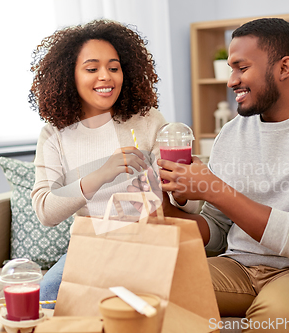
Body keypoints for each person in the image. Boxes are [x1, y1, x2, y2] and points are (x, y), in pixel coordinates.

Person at [157, 18, 289, 332]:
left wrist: (213, 188)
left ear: (284, 68)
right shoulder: (231, 134)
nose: (231, 81)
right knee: (152, 286)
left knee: (275, 315)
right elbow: (216, 230)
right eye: (231, 69)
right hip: (239, 267)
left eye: (241, 68)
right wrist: (162, 207)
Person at [29, 19, 195, 308]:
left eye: (114, 67)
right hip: (89, 248)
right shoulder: (54, 135)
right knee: (45, 302)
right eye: (92, 69)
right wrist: (101, 173)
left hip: (148, 245)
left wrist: (179, 187)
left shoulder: (147, 121)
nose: (106, 77)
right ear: (70, 75)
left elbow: (190, 206)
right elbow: (45, 210)